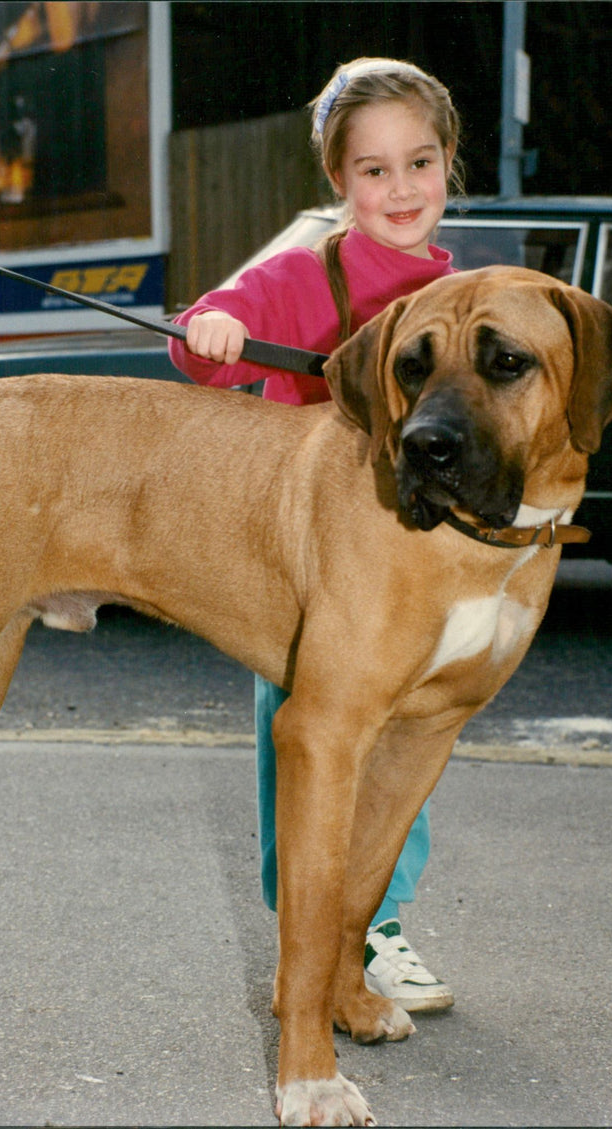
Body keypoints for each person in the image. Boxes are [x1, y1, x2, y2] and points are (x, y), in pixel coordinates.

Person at [169, 57, 464, 1014]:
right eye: (373, 170)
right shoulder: (307, 269)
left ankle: (376, 917)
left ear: (449, 164)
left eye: (419, 163)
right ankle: (316, 922)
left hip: (414, 550)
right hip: (313, 557)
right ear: (339, 180)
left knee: (403, 737)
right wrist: (212, 327)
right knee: (307, 735)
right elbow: (208, 338)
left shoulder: (455, 289)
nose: (400, 189)